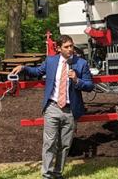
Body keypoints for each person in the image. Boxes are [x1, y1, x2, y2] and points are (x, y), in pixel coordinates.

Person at [11, 35, 94, 179]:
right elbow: (37, 72)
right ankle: (47, 175)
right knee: (49, 143)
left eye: (71, 46)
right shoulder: (50, 61)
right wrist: (23, 67)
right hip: (52, 108)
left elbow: (89, 85)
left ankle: (57, 173)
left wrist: (76, 79)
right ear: (59, 48)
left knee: (65, 145)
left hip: (70, 110)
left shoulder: (81, 63)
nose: (70, 49)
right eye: (67, 47)